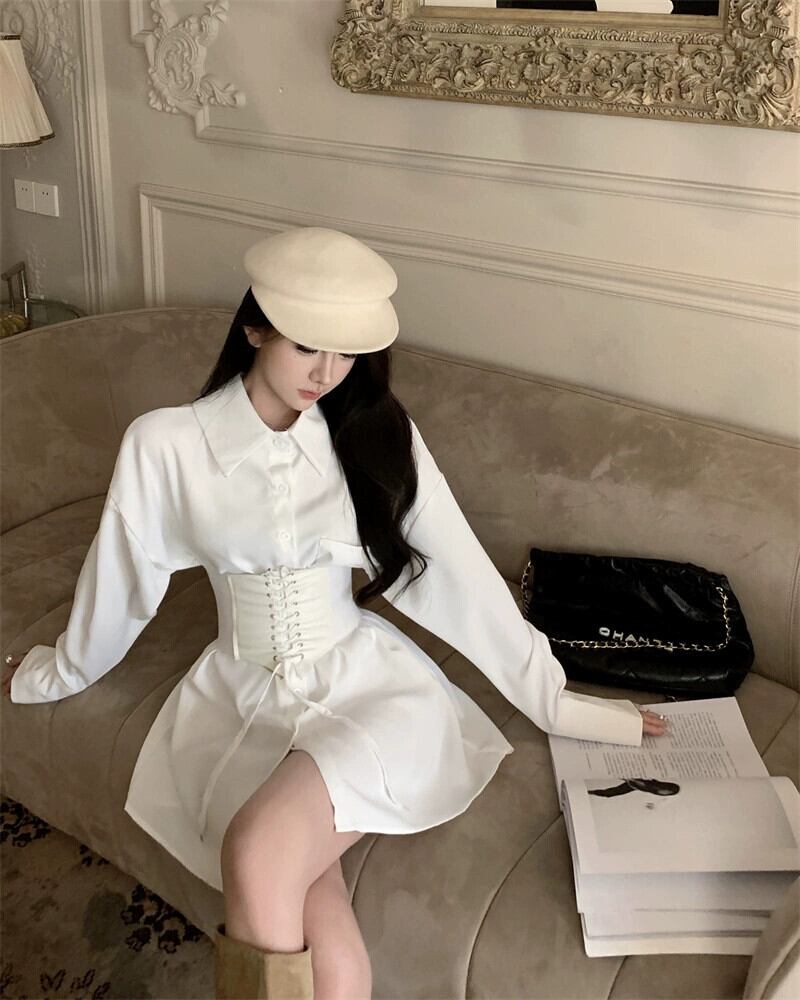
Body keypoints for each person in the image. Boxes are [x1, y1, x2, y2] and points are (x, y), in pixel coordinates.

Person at [2, 226, 668, 1000]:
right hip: (238, 702)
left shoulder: (375, 436)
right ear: (255, 329)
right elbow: (118, 584)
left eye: (346, 353)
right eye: (306, 346)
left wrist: (562, 705)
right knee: (327, 941)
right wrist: (54, 673)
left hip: (368, 692)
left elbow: (464, 581)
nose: (326, 373)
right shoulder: (166, 446)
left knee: (257, 853)